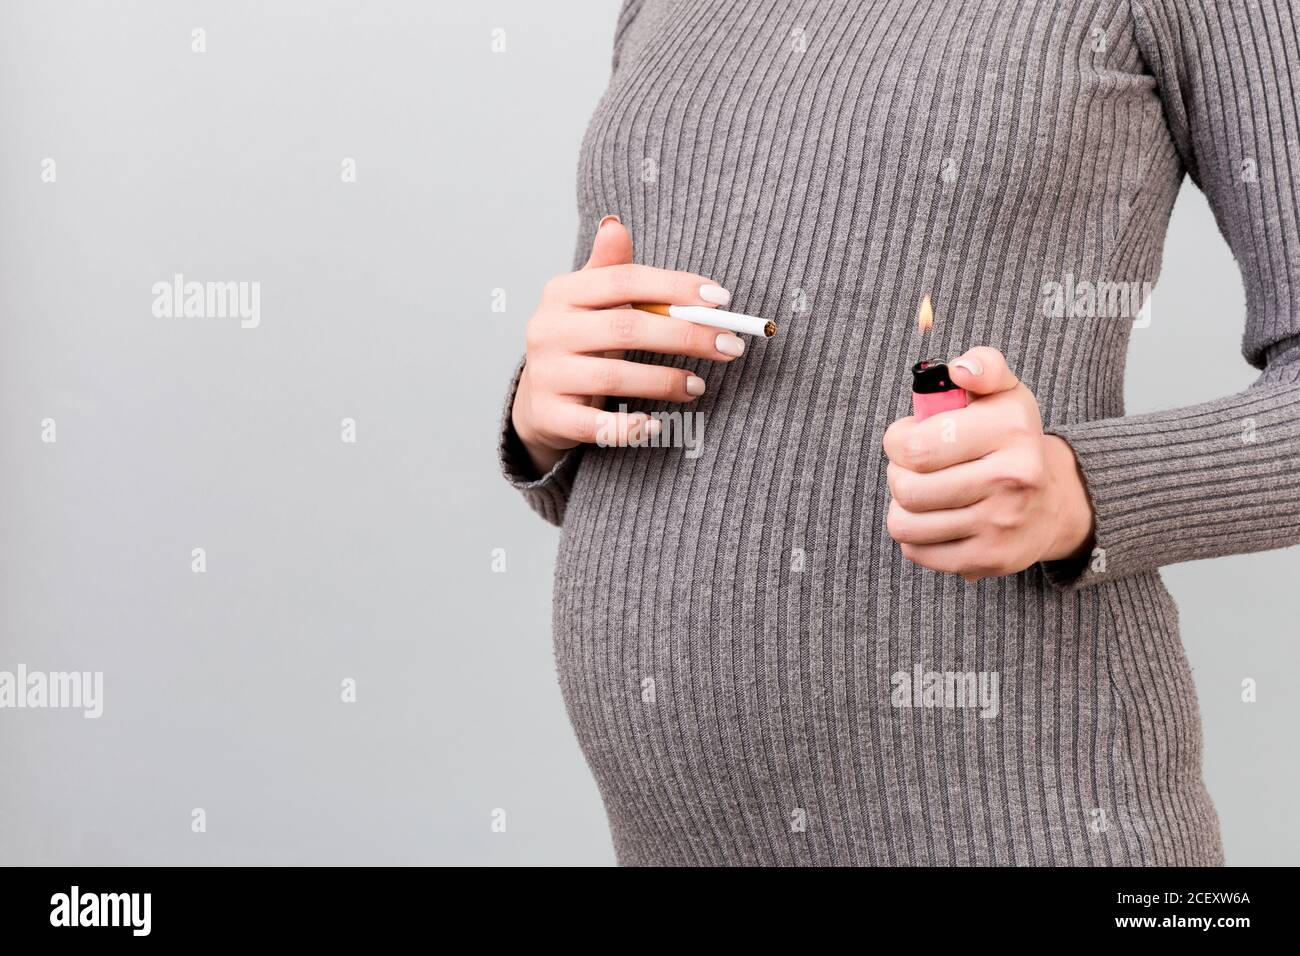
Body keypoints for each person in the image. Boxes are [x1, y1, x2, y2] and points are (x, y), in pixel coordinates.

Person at [498, 0, 1300, 865]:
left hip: (1026, 818)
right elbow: (644, 402)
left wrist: (1081, 490)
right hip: (672, 838)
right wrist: (549, 411)